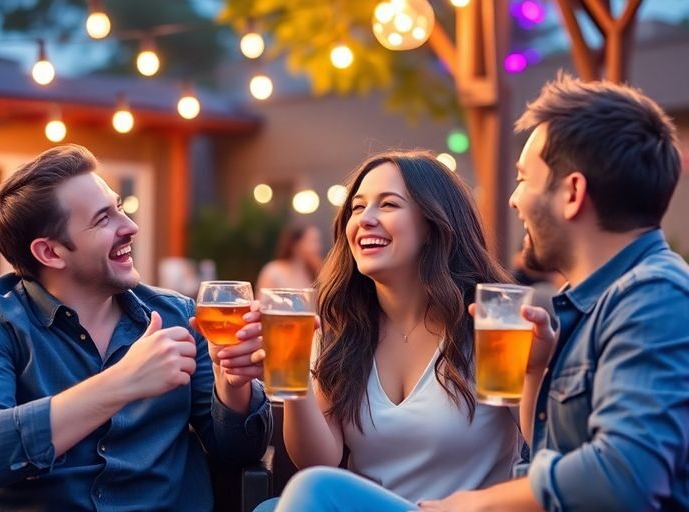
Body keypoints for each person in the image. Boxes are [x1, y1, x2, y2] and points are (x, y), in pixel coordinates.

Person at [282, 75, 689, 512]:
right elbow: (563, 456)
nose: (514, 199)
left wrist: (474, 504)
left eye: (524, 179)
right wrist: (537, 375)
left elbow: (622, 475)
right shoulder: (596, 305)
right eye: (358, 206)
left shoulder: (651, 297)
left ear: (572, 193)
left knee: (312, 494)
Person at [0, 144, 272, 511]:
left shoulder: (178, 315)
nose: (130, 226)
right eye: (103, 219)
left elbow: (241, 452)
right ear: (50, 253)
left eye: (120, 208)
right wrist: (123, 381)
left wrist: (232, 385)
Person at [254, 150, 524, 511]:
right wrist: (294, 378)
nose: (365, 219)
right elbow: (318, 461)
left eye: (388, 205)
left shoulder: (491, 327)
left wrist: (535, 372)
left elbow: (547, 444)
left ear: (432, 224)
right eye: (357, 208)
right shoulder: (340, 329)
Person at [256, 223, 323, 291]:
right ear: (296, 244)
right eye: (312, 241)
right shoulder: (273, 271)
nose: (317, 247)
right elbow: (264, 300)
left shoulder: (314, 272)